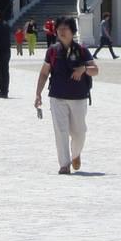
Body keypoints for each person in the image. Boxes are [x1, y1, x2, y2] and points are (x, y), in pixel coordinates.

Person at [35, 16, 99, 172]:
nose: (61, 32)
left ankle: (76, 154)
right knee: (60, 130)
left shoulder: (82, 50)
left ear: (72, 31)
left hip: (79, 97)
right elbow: (44, 73)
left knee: (79, 132)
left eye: (65, 29)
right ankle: (64, 164)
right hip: (57, 96)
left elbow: (95, 70)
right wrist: (38, 94)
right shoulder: (52, 51)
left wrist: (83, 69)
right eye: (59, 29)